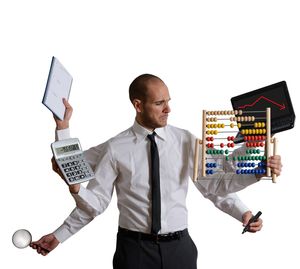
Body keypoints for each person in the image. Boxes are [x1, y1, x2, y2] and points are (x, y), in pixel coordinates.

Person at [31, 74, 282, 268]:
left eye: (168, 102)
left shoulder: (186, 141)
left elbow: (214, 185)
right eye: (159, 103)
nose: (168, 109)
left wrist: (249, 196)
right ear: (138, 105)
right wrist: (59, 235)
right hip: (134, 253)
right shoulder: (115, 148)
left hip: (180, 250)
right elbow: (93, 200)